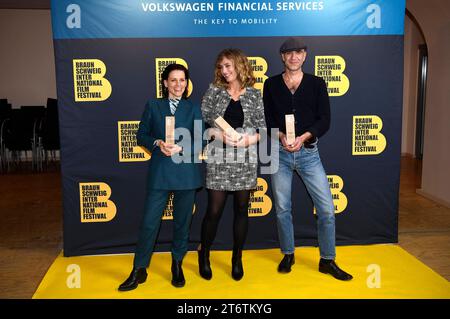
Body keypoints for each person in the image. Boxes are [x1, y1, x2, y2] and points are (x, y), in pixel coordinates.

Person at [263, 37, 353, 281]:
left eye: (299, 52)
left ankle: (327, 260)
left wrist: (303, 137)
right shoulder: (270, 85)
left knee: (326, 209)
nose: (294, 57)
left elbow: (325, 119)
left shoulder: (316, 83)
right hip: (279, 154)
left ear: (305, 56)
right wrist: (281, 136)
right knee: (282, 208)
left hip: (309, 153)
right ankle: (288, 254)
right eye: (289, 53)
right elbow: (268, 120)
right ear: (282, 57)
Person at [118, 63, 203, 290]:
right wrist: (157, 143)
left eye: (182, 80)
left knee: (182, 223)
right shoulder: (153, 105)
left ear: (187, 83)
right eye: (173, 80)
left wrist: (181, 147)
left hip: (186, 173)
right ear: (165, 83)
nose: (178, 85)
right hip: (160, 172)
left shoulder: (193, 108)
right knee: (148, 223)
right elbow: (141, 135)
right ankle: (139, 269)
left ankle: (177, 263)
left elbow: (201, 139)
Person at [198, 48, 266, 281]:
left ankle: (237, 258)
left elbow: (263, 129)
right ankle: (204, 254)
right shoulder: (214, 92)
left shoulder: (255, 95)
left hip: (245, 160)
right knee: (213, 211)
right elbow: (202, 123)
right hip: (218, 160)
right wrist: (218, 134)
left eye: (228, 66)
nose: (224, 71)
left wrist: (250, 139)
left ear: (239, 65)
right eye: (221, 67)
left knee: (241, 210)